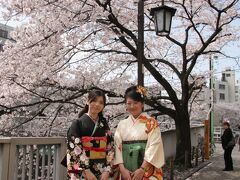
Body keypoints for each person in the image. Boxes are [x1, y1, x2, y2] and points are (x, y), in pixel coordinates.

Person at [114, 86, 165, 180]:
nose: (132, 106)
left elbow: (154, 146)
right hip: (125, 170)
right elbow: (117, 147)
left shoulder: (151, 122)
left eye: (135, 103)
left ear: (142, 104)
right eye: (129, 103)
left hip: (146, 169)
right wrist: (122, 169)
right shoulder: (121, 124)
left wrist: (142, 169)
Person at [66, 90, 114, 180]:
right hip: (83, 171)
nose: (97, 104)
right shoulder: (78, 123)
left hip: (102, 170)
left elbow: (110, 147)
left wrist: (107, 170)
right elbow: (75, 148)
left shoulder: (105, 125)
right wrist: (86, 170)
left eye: (101, 102)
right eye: (94, 101)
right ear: (87, 101)